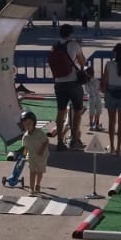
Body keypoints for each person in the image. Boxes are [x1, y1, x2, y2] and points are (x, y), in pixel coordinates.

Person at [48, 23, 87, 151]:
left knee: (61, 111)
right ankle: (74, 140)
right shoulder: (74, 45)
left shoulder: (54, 46)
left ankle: (59, 141)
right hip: (73, 83)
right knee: (77, 110)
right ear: (70, 34)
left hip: (59, 83)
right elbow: (82, 62)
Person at [19, 110, 51, 195]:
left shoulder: (39, 133)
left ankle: (38, 184)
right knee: (32, 172)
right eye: (25, 124)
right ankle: (32, 189)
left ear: (34, 123)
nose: (27, 126)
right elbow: (25, 148)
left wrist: (41, 150)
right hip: (31, 156)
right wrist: (23, 156)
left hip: (41, 156)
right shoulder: (25, 137)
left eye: (29, 123)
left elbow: (46, 141)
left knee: (39, 171)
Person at [85, 63, 103, 132]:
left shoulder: (86, 83)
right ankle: (97, 123)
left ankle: (91, 124)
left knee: (91, 111)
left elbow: (87, 90)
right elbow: (100, 89)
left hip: (91, 98)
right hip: (98, 97)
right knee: (98, 110)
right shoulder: (97, 81)